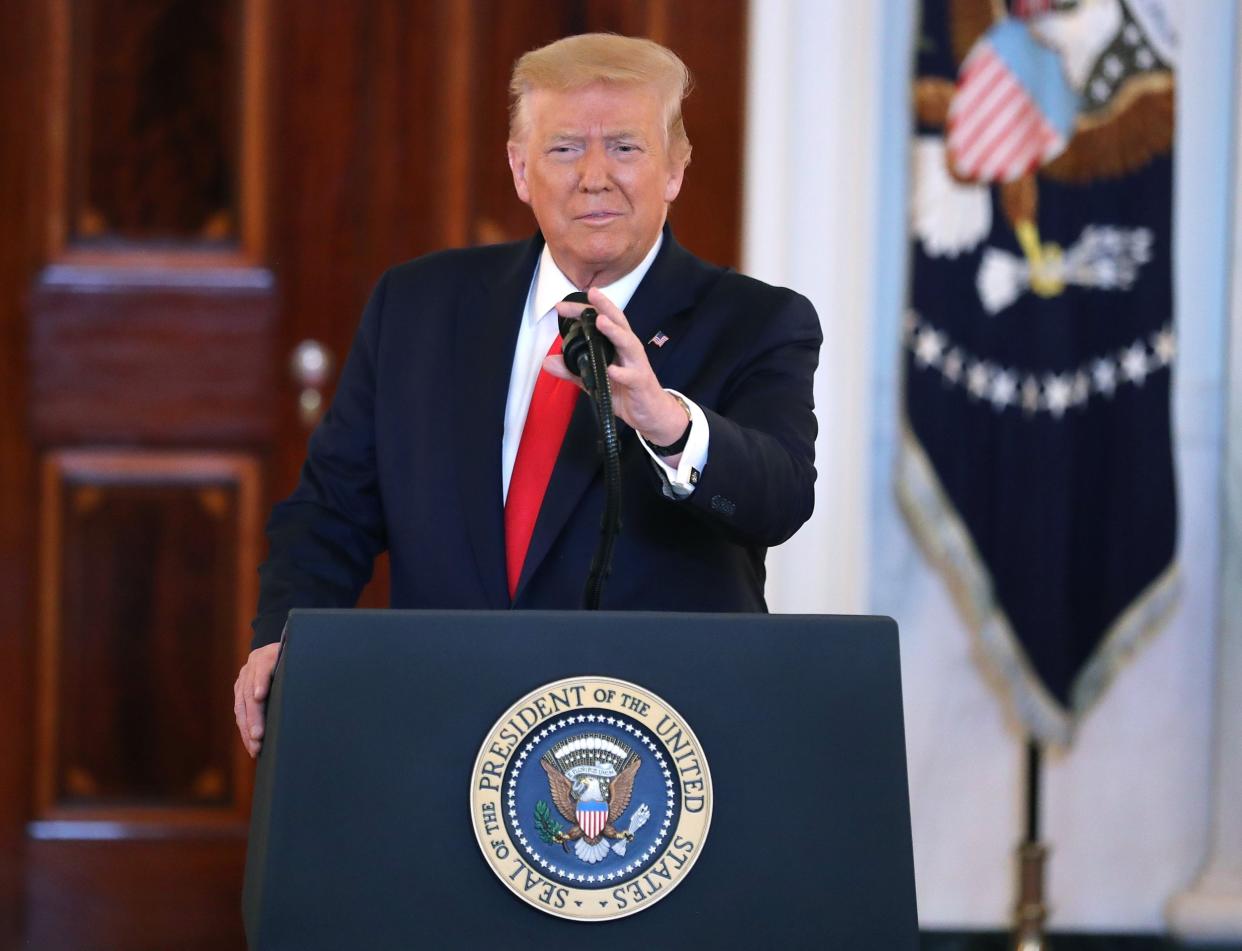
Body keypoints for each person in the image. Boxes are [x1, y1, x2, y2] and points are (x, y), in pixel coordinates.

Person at [233, 33, 822, 756]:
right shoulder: (417, 306)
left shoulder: (759, 321)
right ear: (520, 168)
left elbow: (782, 495)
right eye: (566, 148)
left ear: (675, 167)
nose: (596, 177)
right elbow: (332, 510)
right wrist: (283, 632)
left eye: (628, 149)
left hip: (656, 751)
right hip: (446, 727)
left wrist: (665, 424)